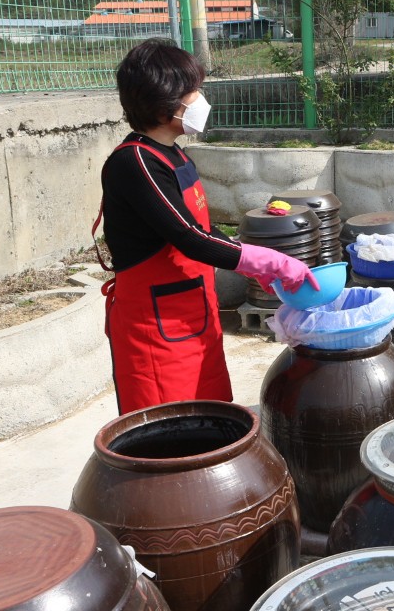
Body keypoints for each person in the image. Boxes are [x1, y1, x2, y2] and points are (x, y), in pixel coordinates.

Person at [96, 39, 319, 414]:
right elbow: (189, 238)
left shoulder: (174, 154)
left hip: (192, 312)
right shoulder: (136, 162)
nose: (200, 99)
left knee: (207, 414)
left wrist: (252, 265)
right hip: (155, 324)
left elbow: (203, 228)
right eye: (192, 91)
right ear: (165, 102)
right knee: (168, 424)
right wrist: (271, 262)